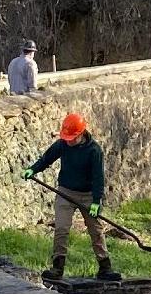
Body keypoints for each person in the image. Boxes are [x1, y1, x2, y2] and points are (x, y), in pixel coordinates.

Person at [23, 112, 121, 283]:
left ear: (81, 133)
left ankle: (105, 267)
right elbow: (46, 159)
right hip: (66, 192)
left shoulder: (94, 151)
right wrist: (33, 169)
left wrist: (96, 202)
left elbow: (99, 178)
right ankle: (57, 267)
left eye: (72, 137)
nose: (69, 140)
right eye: (66, 137)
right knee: (61, 228)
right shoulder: (62, 145)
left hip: (88, 195)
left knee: (96, 230)